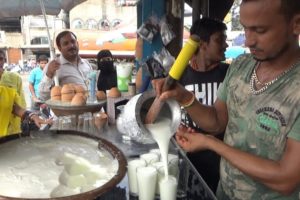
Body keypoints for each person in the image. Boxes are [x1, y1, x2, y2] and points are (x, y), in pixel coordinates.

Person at [153, 0, 300, 199]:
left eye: (260, 30)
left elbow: (286, 179)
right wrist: (184, 96)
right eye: (246, 29)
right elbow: (217, 122)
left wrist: (211, 144)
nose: (248, 41)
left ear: (296, 24)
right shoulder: (241, 66)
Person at [179, 17, 229, 193]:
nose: (226, 45)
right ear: (202, 44)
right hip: (189, 159)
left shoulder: (228, 74)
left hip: (223, 161)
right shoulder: (180, 76)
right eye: (219, 40)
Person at [39, 30, 92, 101]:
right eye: (66, 43)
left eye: (73, 41)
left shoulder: (86, 64)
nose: (71, 45)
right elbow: (43, 96)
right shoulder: (53, 66)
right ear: (59, 48)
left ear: (77, 43)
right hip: (70, 111)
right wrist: (49, 74)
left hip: (92, 110)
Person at [0, 49, 26, 134]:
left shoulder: (15, 78)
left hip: (12, 128)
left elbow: (20, 102)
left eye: (0, 59)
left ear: (4, 60)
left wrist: (27, 117)